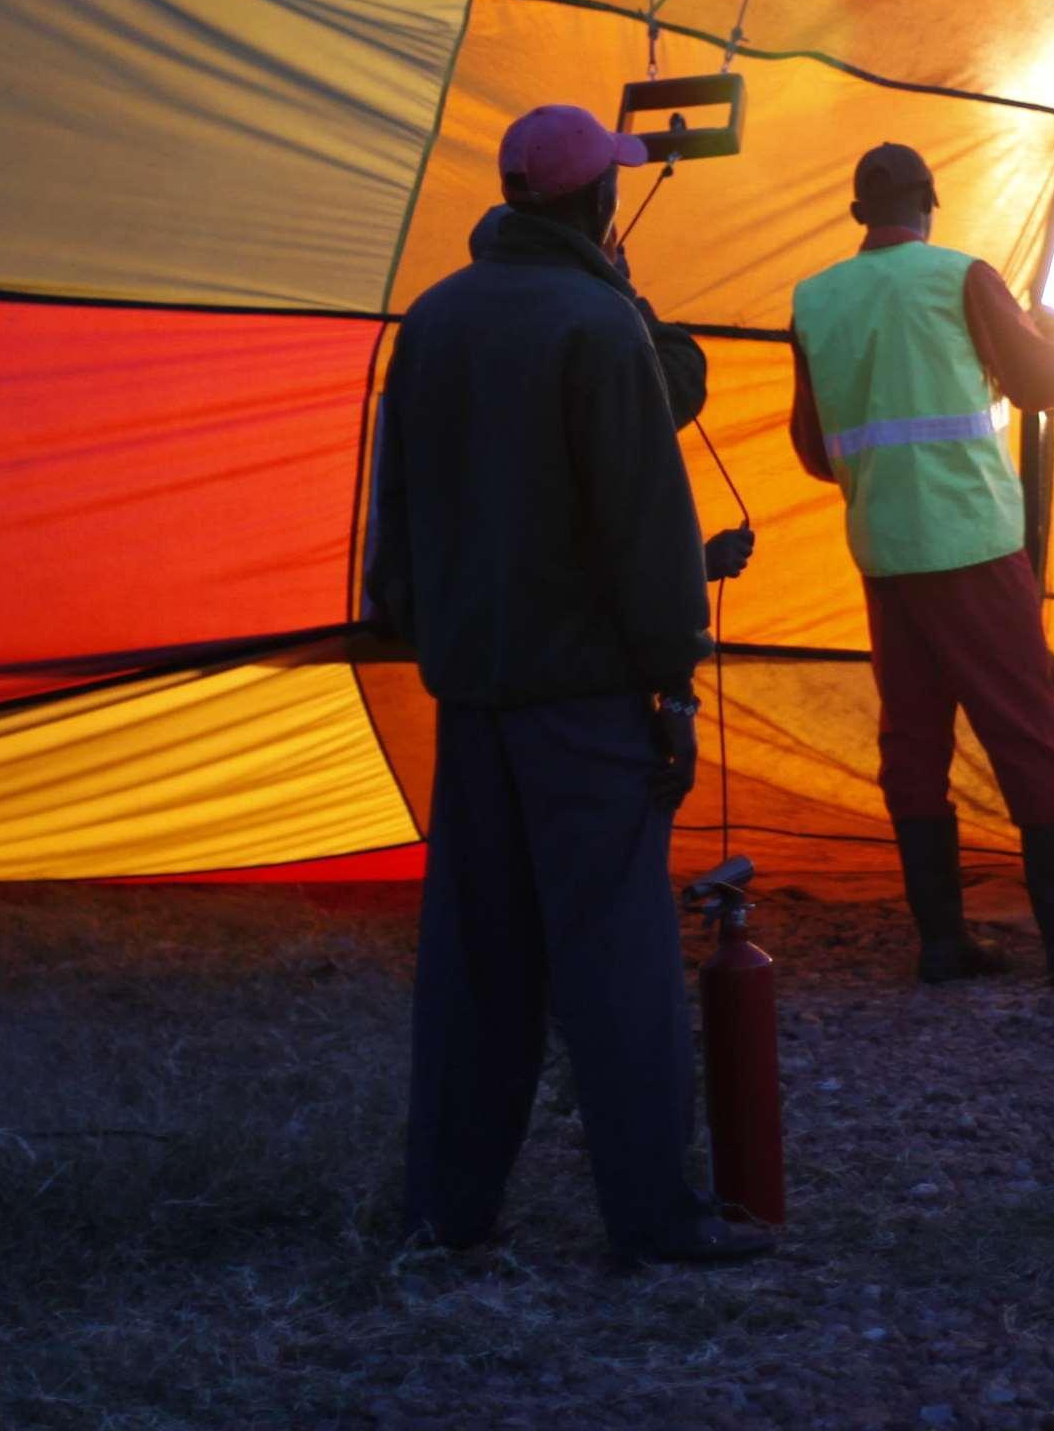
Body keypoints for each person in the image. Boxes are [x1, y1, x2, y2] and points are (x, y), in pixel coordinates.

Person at [363, 103, 766, 1263]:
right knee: (618, 967)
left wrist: (414, 623)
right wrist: (674, 684)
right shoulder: (600, 327)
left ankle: (444, 1218)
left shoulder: (432, 319)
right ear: (596, 205)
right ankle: (655, 1220)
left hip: (474, 703)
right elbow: (646, 529)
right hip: (584, 705)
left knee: (476, 969)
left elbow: (395, 511)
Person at [787, 143, 1054, 988]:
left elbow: (816, 449)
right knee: (1026, 732)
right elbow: (1039, 386)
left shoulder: (813, 299)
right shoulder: (960, 277)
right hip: (969, 544)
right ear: (930, 203)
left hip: (884, 551)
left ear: (860, 214)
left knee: (914, 741)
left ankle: (941, 943)